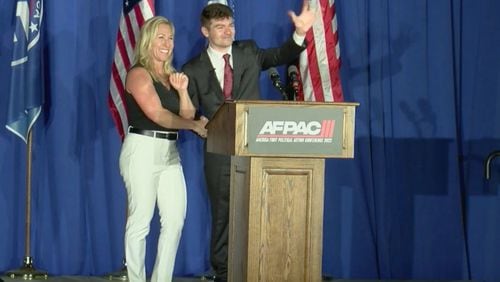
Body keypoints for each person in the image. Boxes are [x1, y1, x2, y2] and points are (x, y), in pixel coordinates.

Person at [182, 2, 317, 281]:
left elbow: (281, 54)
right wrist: (198, 123)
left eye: (230, 24)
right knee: (223, 215)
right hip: (219, 151)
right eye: (220, 26)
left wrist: (300, 34)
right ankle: (223, 272)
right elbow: (188, 111)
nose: (227, 30)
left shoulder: (249, 51)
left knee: (260, 208)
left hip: (257, 147)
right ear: (205, 31)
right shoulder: (192, 68)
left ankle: (261, 266)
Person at [119, 16, 208, 282]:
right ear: (148, 40)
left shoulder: (172, 75)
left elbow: (188, 112)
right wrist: (192, 126)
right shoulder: (138, 73)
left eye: (170, 38)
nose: (167, 43)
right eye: (161, 37)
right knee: (140, 222)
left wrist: (182, 91)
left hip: (169, 152)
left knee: (174, 220)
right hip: (142, 149)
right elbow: (157, 114)